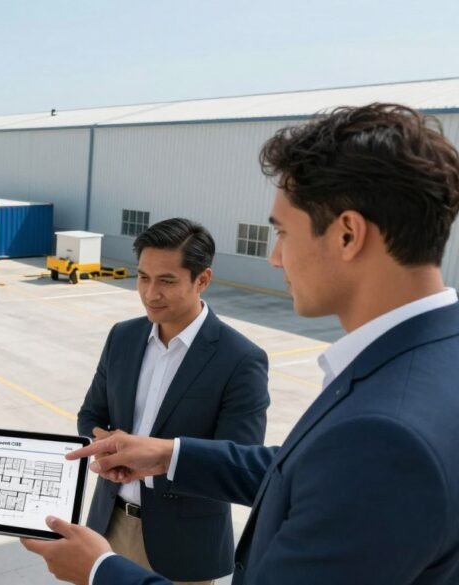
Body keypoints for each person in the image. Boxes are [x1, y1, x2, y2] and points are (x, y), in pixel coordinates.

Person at [22, 102, 459, 584]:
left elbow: (353, 463)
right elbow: (305, 468)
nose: (274, 258)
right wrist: (168, 454)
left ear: (348, 234)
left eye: (282, 233)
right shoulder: (433, 360)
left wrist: (100, 570)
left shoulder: (385, 432)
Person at [77, 218, 269, 584]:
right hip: (109, 525)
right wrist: (108, 446)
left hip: (184, 546)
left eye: (166, 281)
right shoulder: (123, 337)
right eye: (143, 277)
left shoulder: (240, 359)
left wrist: (154, 461)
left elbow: (238, 460)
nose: (151, 293)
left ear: (203, 280)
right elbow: (90, 414)